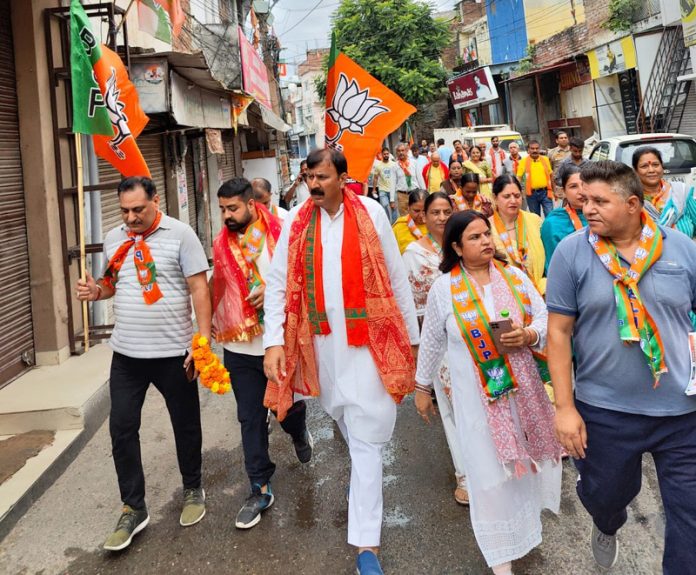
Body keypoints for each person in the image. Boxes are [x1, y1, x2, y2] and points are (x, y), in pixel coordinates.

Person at [263, 148, 420, 575]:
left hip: (369, 339)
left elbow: (396, 277)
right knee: (346, 418)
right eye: (308, 177)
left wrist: (414, 340)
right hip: (320, 343)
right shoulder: (296, 222)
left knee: (368, 432)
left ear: (343, 178)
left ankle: (366, 546)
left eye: (322, 177)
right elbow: (277, 284)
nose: (313, 185)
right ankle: (362, 483)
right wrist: (273, 341)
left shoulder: (371, 213)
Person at [546, 160, 696, 574]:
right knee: (607, 495)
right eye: (584, 198)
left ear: (632, 204)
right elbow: (558, 332)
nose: (586, 206)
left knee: (691, 518)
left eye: (599, 200)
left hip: (682, 415)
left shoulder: (681, 250)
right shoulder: (571, 253)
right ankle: (607, 521)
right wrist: (564, 408)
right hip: (604, 412)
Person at [416, 211, 562, 575]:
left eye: (487, 234)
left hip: (521, 394)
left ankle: (522, 532)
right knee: (487, 474)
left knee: (520, 471)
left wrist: (529, 335)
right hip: (476, 402)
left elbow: (544, 317)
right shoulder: (444, 289)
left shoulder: (513, 277)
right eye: (475, 237)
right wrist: (421, 386)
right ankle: (500, 559)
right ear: (456, 247)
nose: (486, 242)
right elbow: (432, 341)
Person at [75, 176, 211, 551]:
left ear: (155, 201)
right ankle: (133, 506)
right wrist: (95, 291)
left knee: (185, 425)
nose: (131, 217)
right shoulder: (116, 238)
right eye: (125, 210)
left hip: (172, 352)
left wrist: (202, 342)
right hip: (127, 354)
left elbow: (199, 287)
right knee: (121, 428)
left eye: (138, 209)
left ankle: (193, 488)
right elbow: (112, 282)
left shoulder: (181, 235)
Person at [211, 177, 312, 530]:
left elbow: (301, 277)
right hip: (238, 345)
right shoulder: (221, 245)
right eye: (222, 209)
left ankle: (298, 430)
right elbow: (216, 287)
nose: (226, 215)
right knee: (249, 417)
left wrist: (270, 290)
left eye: (233, 208)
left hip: (278, 343)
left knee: (285, 410)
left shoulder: (283, 233)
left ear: (253, 205)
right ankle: (260, 486)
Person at [402, 192, 469, 505]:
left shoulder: (465, 246)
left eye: (446, 211)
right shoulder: (413, 254)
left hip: (474, 337)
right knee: (453, 408)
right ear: (423, 217)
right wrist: (419, 355)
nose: (442, 218)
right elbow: (413, 309)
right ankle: (464, 474)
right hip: (440, 343)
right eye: (435, 212)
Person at [489, 175, 546, 295]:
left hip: (540, 291)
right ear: (495, 198)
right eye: (506, 196)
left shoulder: (534, 220)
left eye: (517, 196)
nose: (513, 201)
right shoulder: (487, 228)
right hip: (505, 295)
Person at [633, 146, 696, 237]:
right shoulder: (632, 201)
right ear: (635, 171)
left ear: (662, 167)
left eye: (655, 165)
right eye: (644, 166)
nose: (651, 170)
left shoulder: (681, 192)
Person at [540, 165, 587, 271]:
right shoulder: (553, 223)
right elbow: (553, 265)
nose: (581, 191)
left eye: (584, 185)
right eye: (573, 186)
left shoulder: (602, 216)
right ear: (564, 192)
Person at [516, 140, 554, 217]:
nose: (535, 150)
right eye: (532, 148)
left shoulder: (545, 159)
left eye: (537, 148)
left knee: (550, 215)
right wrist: (519, 192)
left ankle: (549, 229)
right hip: (531, 194)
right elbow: (518, 178)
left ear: (539, 149)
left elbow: (551, 175)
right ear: (528, 150)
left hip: (546, 192)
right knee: (535, 217)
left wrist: (554, 190)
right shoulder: (523, 161)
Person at [392, 189, 428, 254]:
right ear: (408, 208)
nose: (421, 215)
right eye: (416, 211)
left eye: (424, 211)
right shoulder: (399, 226)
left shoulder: (436, 226)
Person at [395, 142, 422, 216]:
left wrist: (424, 191)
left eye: (402, 150)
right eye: (399, 151)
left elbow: (420, 178)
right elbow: (393, 182)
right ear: (396, 153)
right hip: (402, 195)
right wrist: (392, 200)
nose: (401, 152)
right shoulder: (394, 166)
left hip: (414, 193)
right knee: (405, 218)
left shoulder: (414, 163)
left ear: (406, 151)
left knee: (416, 215)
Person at [372, 147, 397, 224]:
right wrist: (374, 189)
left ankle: (394, 224)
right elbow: (375, 178)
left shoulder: (393, 164)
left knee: (393, 208)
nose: (386, 155)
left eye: (387, 154)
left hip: (392, 189)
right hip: (382, 189)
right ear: (382, 155)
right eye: (384, 154)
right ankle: (387, 222)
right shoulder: (378, 165)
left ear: (389, 154)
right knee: (385, 205)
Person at [547, 131, 571, 205]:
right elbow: (549, 171)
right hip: (559, 186)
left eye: (565, 138)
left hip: (573, 183)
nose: (564, 139)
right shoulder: (551, 153)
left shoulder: (573, 150)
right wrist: (552, 188)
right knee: (562, 208)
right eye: (561, 138)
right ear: (557, 140)